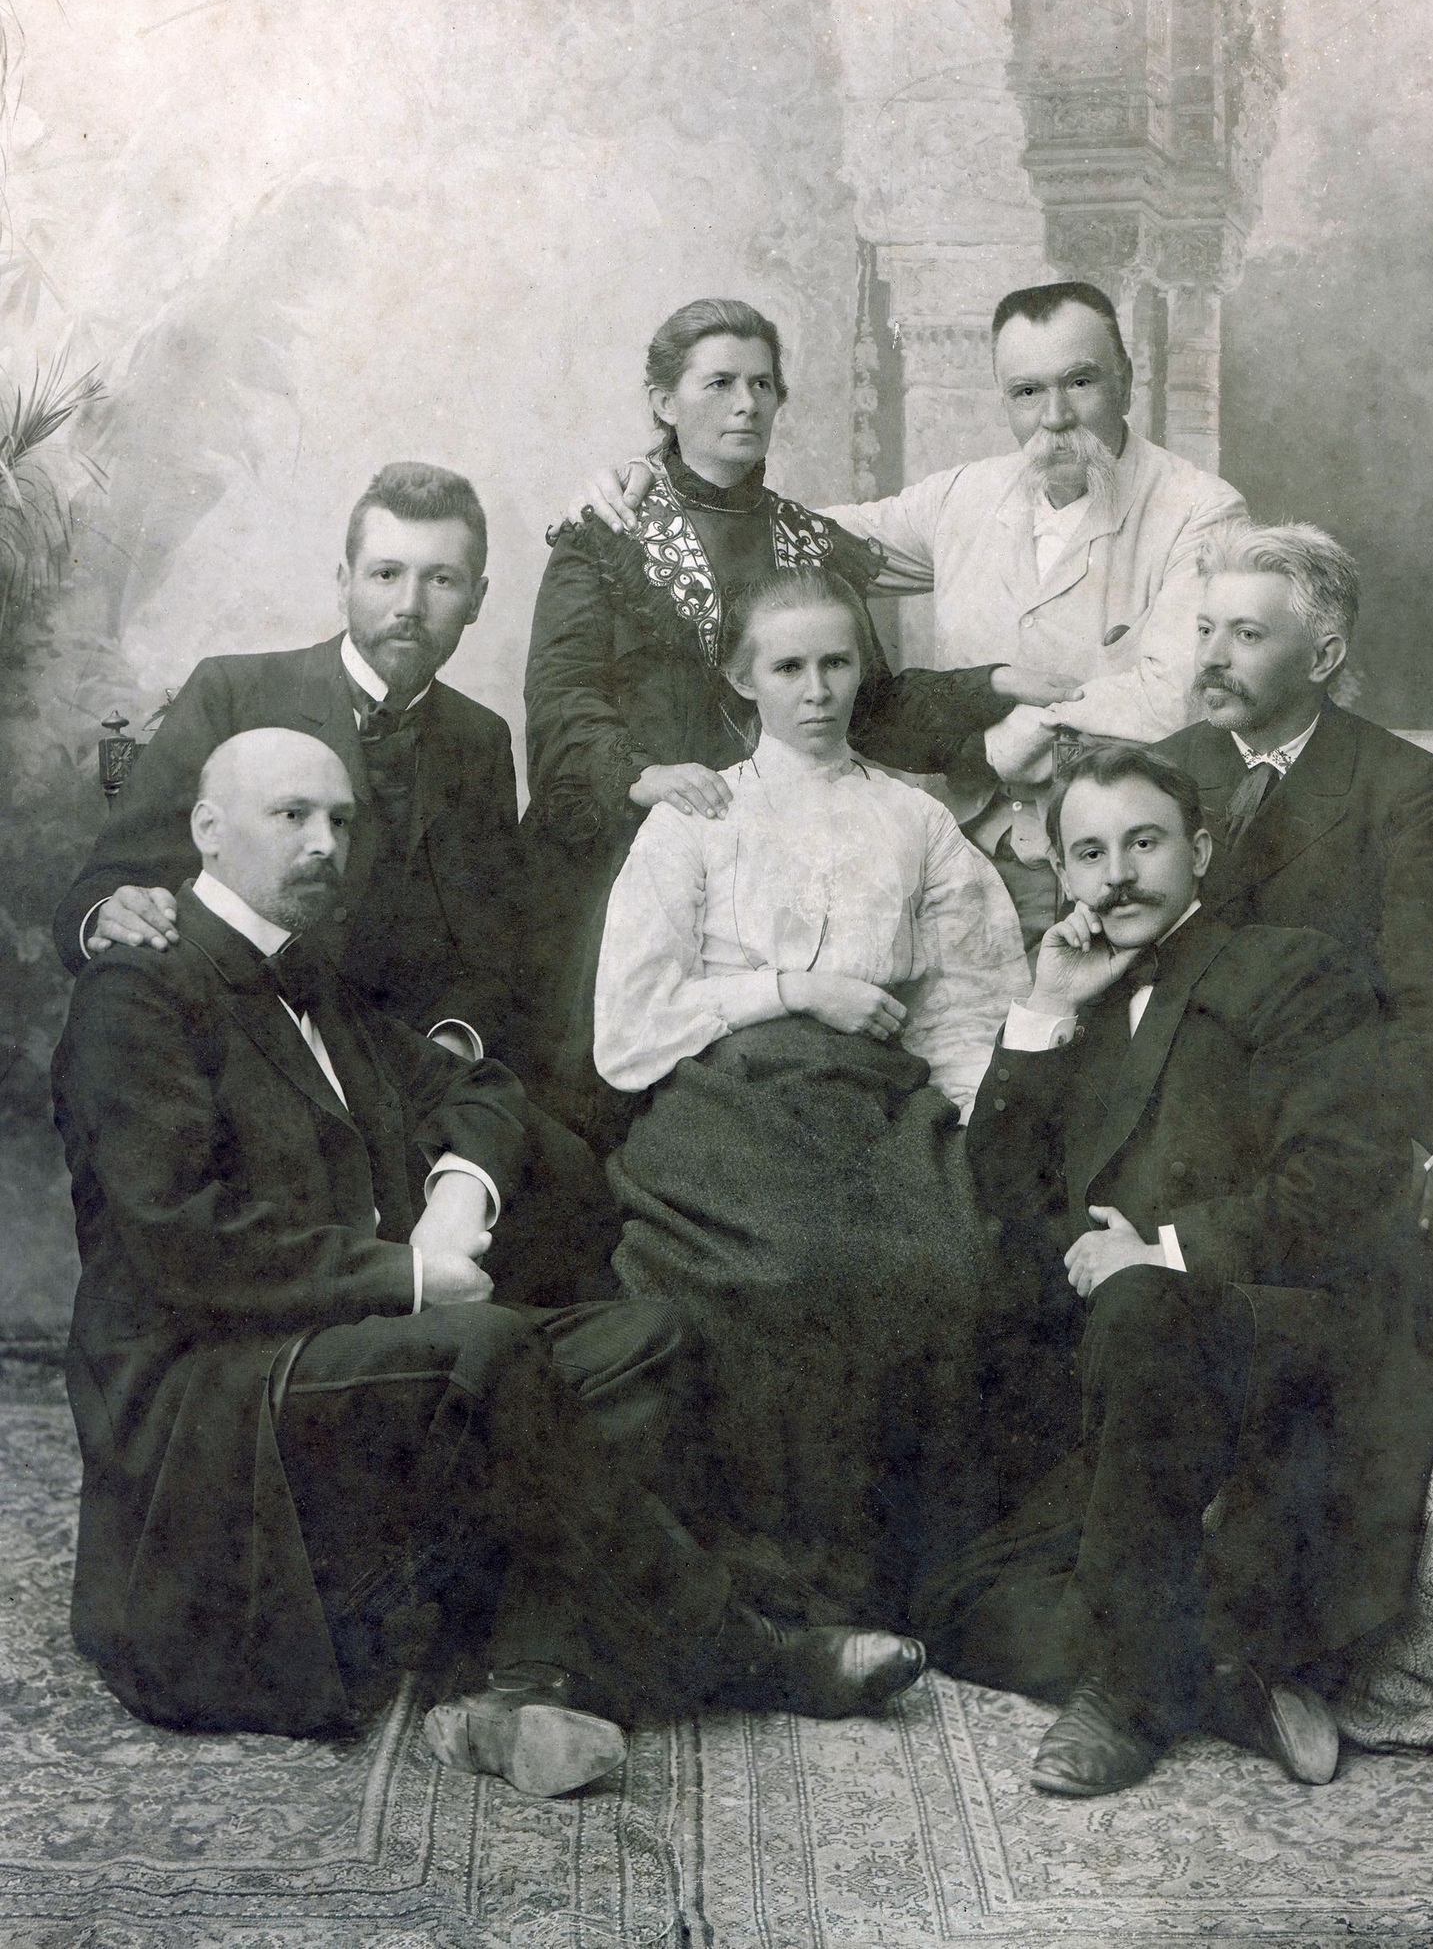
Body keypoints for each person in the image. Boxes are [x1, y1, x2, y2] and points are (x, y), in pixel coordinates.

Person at [52, 727, 924, 1802]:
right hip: (206, 1389)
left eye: (341, 820)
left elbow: (481, 1086)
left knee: (642, 1337)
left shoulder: (316, 979)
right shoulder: (136, 994)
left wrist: (459, 1193)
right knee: (492, 1348)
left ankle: (520, 1684)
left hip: (335, 1343)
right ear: (206, 830)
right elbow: (183, 1243)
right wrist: (410, 1278)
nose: (325, 843)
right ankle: (742, 1649)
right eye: (292, 816)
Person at [925, 741, 1419, 1798]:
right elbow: (1005, 1192)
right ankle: (1215, 1666)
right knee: (953, 1606)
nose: (1117, 876)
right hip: (1136, 1375)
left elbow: (1347, 1178)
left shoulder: (1293, 969)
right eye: (1089, 853)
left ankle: (1130, 1687)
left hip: (1282, 1342)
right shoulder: (1085, 995)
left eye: (1143, 843)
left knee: (1146, 1300)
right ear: (1061, 871)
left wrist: (1168, 1250)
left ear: (1199, 850)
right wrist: (1046, 1006)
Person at [593, 566, 1029, 1626]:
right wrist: (792, 990)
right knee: (788, 1267)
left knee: (946, 1264)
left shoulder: (916, 819)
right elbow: (629, 1027)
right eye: (788, 667)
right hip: (724, 1098)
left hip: (879, 1103)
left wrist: (974, 1127)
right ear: (742, 678)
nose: (818, 690)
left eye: (837, 663)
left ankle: (900, 1585)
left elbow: (966, 1002)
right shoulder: (698, 816)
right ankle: (770, 1588)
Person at [570, 281, 1247, 941]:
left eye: (1080, 381)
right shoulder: (966, 495)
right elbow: (766, 535)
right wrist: (650, 484)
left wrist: (1010, 737)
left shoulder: (1199, 510)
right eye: (1027, 391)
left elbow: (1175, 698)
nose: (1055, 416)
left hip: (1116, 862)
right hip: (966, 856)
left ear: (1125, 381)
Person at [523, 297, 1016, 1141]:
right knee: (602, 1109)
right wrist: (641, 776)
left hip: (773, 859)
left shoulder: (808, 539)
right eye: (719, 383)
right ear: (664, 401)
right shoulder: (609, 528)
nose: (746, 403)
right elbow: (562, 693)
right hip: (625, 836)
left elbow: (874, 706)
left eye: (762, 384)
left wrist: (996, 690)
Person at [54, 463, 528, 1071]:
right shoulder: (231, 693)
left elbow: (491, 948)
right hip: (239, 1064)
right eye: (386, 574)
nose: (409, 607)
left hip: (406, 1070)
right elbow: (103, 888)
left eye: (441, 580)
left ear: (476, 600)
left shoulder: (481, 739)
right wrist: (111, 913)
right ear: (344, 584)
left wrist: (455, 1041)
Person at [1157, 519, 1433, 1239]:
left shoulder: (1400, 786)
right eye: (1206, 630)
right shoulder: (1160, 773)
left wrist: (1404, 1145)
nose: (1211, 657)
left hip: (1335, 1128)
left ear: (1323, 656)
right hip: (1178, 1129)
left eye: (1246, 635)